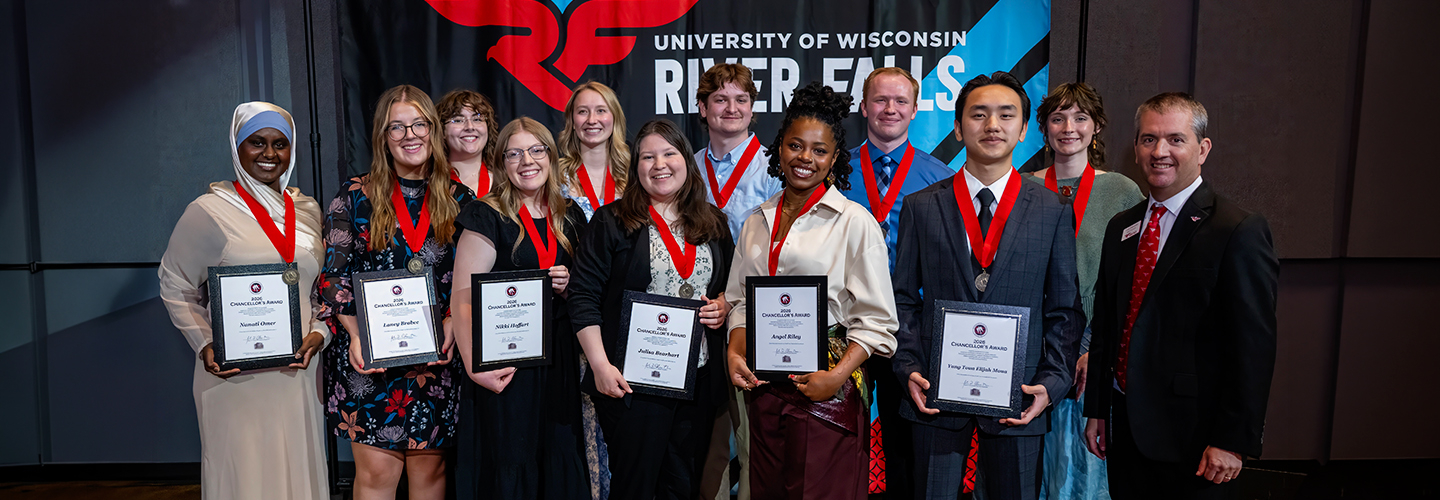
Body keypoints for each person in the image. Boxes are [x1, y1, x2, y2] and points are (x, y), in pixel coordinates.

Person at [890, 71, 1084, 500]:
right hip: (935, 399)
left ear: (1022, 130)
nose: (992, 125)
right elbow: (902, 299)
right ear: (958, 128)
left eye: (1005, 115)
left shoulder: (1051, 210)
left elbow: (1065, 310)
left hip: (1021, 397)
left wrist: (1050, 385)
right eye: (978, 114)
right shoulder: (922, 206)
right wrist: (909, 368)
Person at [1083, 92, 1278, 499]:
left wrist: (1232, 438)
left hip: (1196, 439)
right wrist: (1098, 409)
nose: (1160, 151)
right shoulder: (1123, 225)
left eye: (1175, 139)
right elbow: (1106, 324)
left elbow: (1253, 345)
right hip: (1125, 429)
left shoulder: (1237, 230)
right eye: (1148, 139)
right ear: (1135, 148)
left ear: (1202, 148)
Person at [724, 82, 898, 500]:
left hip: (826, 388)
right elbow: (740, 302)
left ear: (835, 158)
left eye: (819, 150)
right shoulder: (755, 221)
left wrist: (835, 377)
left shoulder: (854, 222)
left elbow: (878, 322)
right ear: (778, 148)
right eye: (795, 146)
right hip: (763, 389)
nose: (806, 158)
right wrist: (733, 351)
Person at [158, 102, 329, 499]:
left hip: (297, 371)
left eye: (280, 144)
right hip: (235, 378)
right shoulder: (209, 212)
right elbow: (174, 283)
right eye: (257, 142)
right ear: (237, 148)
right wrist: (204, 344)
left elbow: (318, 288)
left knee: (296, 475)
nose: (269, 154)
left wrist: (320, 332)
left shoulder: (305, 211)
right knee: (244, 477)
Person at [318, 85, 474, 500]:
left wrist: (450, 324)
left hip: (437, 355)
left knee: (432, 476)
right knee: (375, 478)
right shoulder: (354, 197)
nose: (410, 135)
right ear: (382, 137)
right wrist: (353, 334)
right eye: (397, 127)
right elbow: (333, 279)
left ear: (434, 130)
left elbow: (472, 279)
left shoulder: (461, 199)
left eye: (419, 124)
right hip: (370, 361)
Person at [568, 118, 734, 500]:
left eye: (669, 153)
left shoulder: (714, 221)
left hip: (698, 381)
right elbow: (583, 296)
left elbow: (730, 289)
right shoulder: (610, 222)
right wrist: (600, 366)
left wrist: (724, 305)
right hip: (632, 385)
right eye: (648, 157)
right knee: (636, 487)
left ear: (686, 161)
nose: (659, 164)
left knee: (685, 486)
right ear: (635, 166)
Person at [451, 117, 588, 499]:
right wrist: (475, 366)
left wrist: (567, 287)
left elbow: (586, 292)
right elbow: (463, 298)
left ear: (551, 156)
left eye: (535, 150)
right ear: (500, 163)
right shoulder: (486, 215)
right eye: (514, 153)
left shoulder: (570, 216)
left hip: (557, 361)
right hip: (504, 366)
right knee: (511, 462)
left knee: (556, 459)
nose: (526, 160)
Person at [1024, 82, 1144, 500]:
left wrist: (1096, 347)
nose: (1068, 127)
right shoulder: (1022, 188)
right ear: (1043, 129)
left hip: (1096, 353)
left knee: (1086, 472)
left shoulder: (1123, 193)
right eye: (1057, 118)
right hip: (1034, 353)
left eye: (1079, 118)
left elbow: (1130, 283)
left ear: (1096, 127)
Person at [841, 66, 954, 499]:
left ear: (915, 110)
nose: (890, 109)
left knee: (904, 437)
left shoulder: (941, 178)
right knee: (840, 431)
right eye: (881, 100)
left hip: (909, 327)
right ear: (864, 107)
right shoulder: (835, 170)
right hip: (845, 324)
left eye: (900, 101)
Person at [691, 62, 781, 500]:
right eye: (720, 99)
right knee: (705, 438)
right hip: (696, 316)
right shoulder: (684, 168)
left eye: (741, 100)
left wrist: (734, 300)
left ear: (753, 108)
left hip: (754, 314)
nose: (731, 108)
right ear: (702, 108)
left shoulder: (776, 169)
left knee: (754, 437)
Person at [559, 81, 630, 220]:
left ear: (614, 118)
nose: (591, 120)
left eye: (601, 111)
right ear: (572, 122)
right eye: (583, 112)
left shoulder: (635, 176)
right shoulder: (556, 178)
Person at [438, 89, 501, 197]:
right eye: (458, 120)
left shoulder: (505, 183)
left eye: (477, 119)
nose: (470, 127)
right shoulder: (430, 187)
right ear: (442, 130)